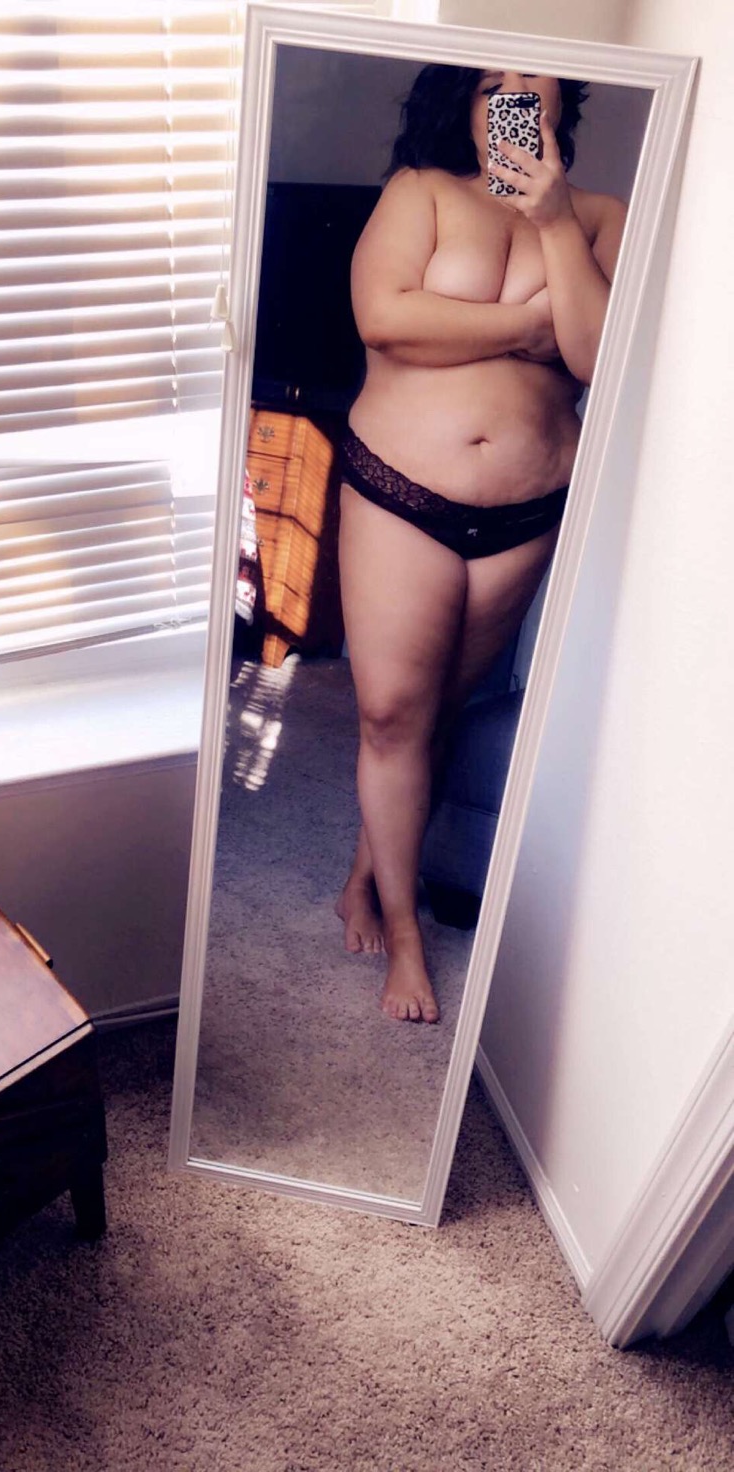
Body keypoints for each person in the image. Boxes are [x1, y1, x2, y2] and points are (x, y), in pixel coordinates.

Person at [334, 64, 627, 1023]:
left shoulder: (599, 218)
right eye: (492, 82)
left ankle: (362, 875)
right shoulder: (420, 191)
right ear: (464, 103)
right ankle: (403, 935)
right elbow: (386, 318)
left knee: (438, 713)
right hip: (400, 490)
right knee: (391, 715)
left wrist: (553, 223)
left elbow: (594, 357)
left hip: (523, 513)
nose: (513, 95)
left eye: (531, 81)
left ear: (562, 101)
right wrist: (523, 326)